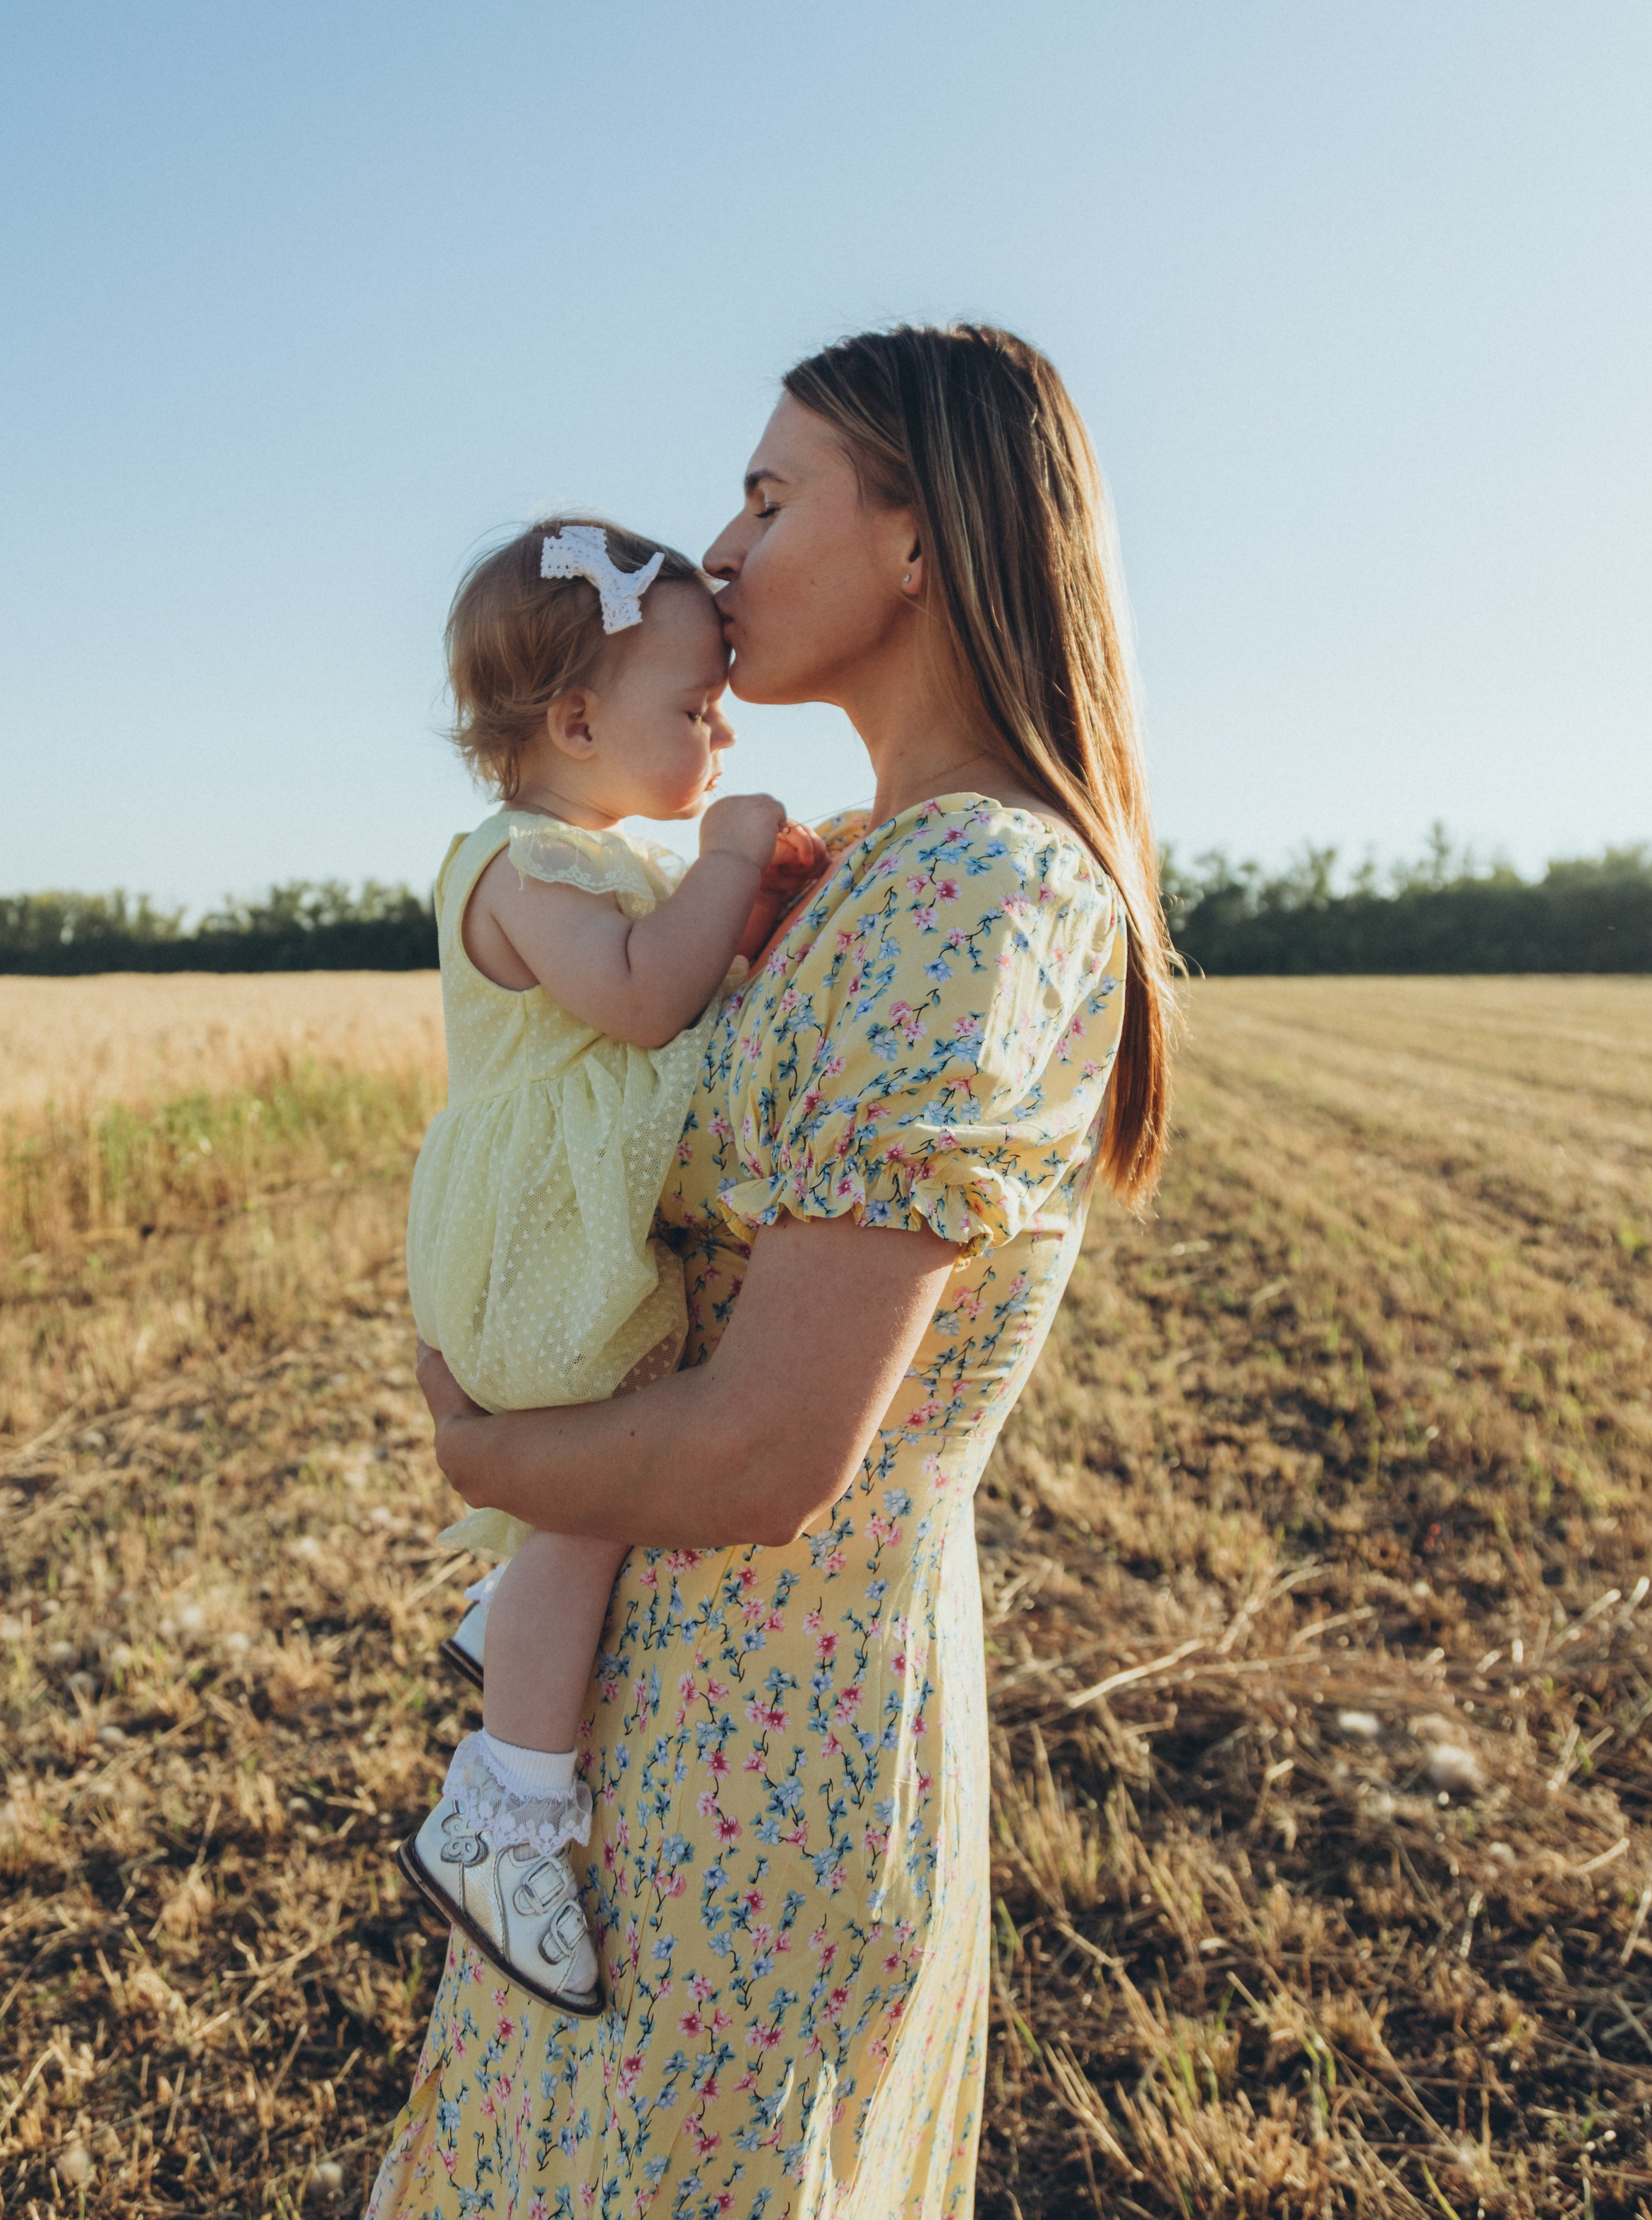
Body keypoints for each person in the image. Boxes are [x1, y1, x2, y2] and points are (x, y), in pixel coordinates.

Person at [370, 323, 1176, 2220]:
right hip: (670, 1696)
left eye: (766, 496)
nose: (716, 558)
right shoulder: (886, 865)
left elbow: (767, 1454)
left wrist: (488, 1462)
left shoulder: (977, 882)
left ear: (919, 536)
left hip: (778, 1714)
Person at [400, 518, 824, 2010]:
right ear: (573, 722)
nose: (716, 735)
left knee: (582, 1501)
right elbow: (648, 1006)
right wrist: (721, 864)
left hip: (558, 1229)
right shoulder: (523, 868)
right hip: (527, 1242)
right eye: (690, 712)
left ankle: (510, 1619)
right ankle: (500, 1815)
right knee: (585, 1503)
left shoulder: (589, 856)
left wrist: (741, 895)